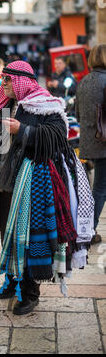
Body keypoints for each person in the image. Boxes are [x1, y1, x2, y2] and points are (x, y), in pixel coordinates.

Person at [0, 60, 72, 316]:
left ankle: (30, 293)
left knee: (27, 239)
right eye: (3, 79)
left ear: (22, 81)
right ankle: (11, 282)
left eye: (7, 80)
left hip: (28, 183)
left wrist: (24, 130)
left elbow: (57, 137)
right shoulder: (6, 103)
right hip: (5, 181)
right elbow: (0, 141)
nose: (3, 84)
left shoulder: (46, 105)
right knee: (7, 236)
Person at [76, 44, 106, 244]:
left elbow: (77, 114)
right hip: (104, 142)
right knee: (100, 187)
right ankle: (87, 230)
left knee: (94, 187)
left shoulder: (84, 81)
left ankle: (85, 227)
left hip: (89, 140)